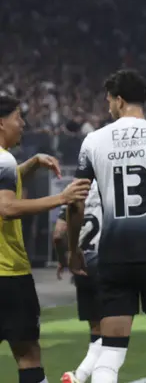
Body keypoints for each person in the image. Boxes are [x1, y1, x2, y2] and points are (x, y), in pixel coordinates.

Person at [67, 70, 146, 383]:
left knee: (112, 348)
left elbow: (76, 201)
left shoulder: (94, 141)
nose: (108, 107)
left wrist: (73, 248)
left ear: (119, 100)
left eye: (108, 101)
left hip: (114, 253)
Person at [0, 95, 90, 383]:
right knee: (28, 357)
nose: (22, 124)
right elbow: (6, 207)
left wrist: (31, 164)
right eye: (17, 117)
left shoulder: (6, 163)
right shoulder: (3, 159)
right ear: (1, 123)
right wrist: (61, 198)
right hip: (8, 274)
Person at [53, 181, 103, 383]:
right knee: (115, 335)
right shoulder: (109, 185)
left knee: (96, 332)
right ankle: (79, 376)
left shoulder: (74, 191)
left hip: (81, 265)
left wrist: (63, 260)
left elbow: (58, 235)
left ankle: (82, 376)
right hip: (106, 261)